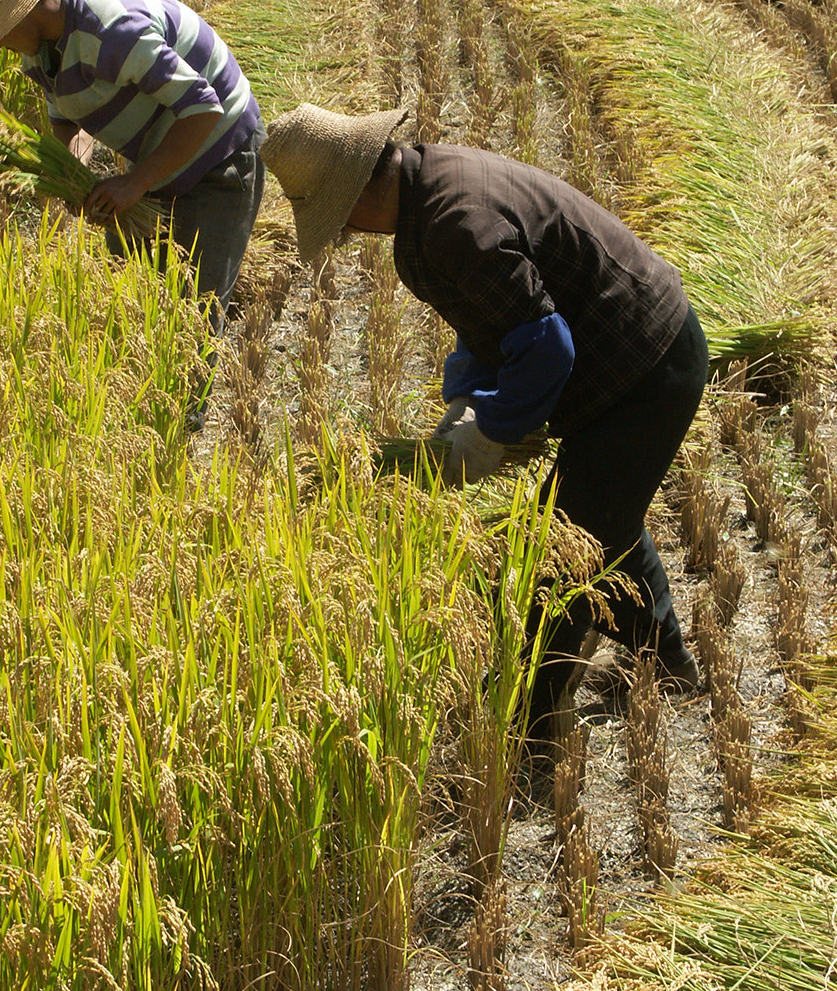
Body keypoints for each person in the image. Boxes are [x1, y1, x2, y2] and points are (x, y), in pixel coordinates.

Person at [260, 103, 708, 733]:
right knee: (602, 519)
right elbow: (490, 324)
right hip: (626, 355)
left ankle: (527, 725)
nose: (348, 234)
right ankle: (670, 668)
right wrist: (466, 399)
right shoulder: (427, 200)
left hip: (644, 362)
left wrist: (492, 434)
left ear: (362, 188)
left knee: (564, 549)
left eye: (339, 218)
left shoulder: (453, 224)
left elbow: (547, 346)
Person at [0, 0, 265, 348]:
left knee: (193, 319)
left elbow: (203, 108)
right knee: (130, 296)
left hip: (220, 151)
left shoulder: (112, 33)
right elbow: (71, 124)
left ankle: (184, 412)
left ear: (21, 11)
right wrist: (76, 176)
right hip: (160, 152)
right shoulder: (40, 53)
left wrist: (135, 184)